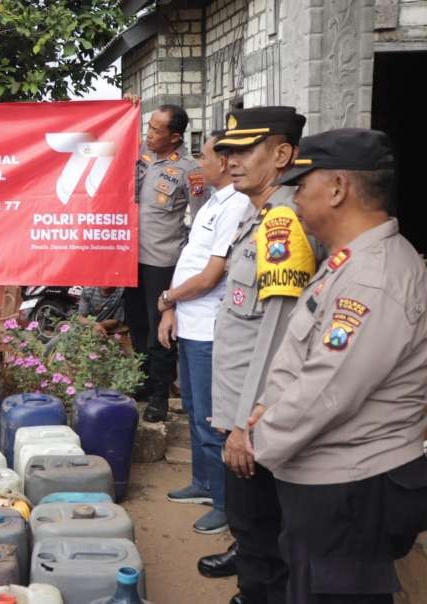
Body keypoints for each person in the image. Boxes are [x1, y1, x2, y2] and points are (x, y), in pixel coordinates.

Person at [250, 129, 427, 604]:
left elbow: (329, 389)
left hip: (352, 486)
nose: (296, 201)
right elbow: (303, 356)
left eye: (301, 187)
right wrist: (266, 407)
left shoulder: (373, 277)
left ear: (337, 188)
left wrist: (258, 440)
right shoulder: (348, 262)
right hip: (331, 476)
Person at [202, 106, 314, 604]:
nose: (231, 161)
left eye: (246, 150)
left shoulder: (283, 224)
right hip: (241, 409)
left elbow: (279, 334)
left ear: (283, 154)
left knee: (262, 523)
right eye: (227, 151)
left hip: (257, 415)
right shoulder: (259, 214)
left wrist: (247, 423)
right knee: (253, 521)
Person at [156, 134, 250, 535]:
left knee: (214, 418)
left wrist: (166, 298)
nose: (198, 162)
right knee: (195, 410)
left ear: (227, 162)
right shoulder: (213, 202)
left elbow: (212, 275)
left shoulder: (237, 205)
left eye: (204, 155)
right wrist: (172, 308)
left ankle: (226, 503)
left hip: (212, 328)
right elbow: (192, 260)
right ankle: (204, 483)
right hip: (190, 321)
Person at [125, 104, 207, 423]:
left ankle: (160, 394)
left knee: (161, 331)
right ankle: (142, 385)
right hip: (130, 258)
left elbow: (201, 219)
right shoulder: (141, 153)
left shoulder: (190, 169)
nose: (149, 134)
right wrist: (127, 111)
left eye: (156, 130)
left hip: (163, 261)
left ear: (175, 137)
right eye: (148, 126)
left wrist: (190, 259)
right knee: (137, 324)